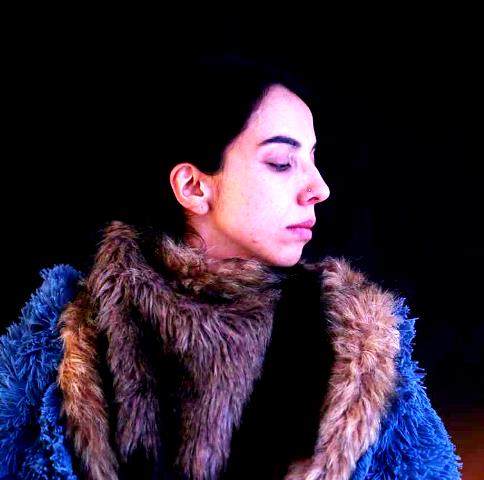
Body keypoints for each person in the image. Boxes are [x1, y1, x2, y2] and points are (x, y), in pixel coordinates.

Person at [0, 54, 461, 479]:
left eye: (312, 158)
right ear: (193, 187)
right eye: (281, 162)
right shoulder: (61, 338)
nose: (319, 188)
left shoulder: (356, 342)